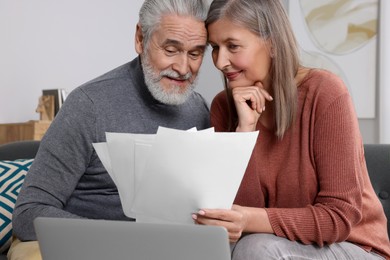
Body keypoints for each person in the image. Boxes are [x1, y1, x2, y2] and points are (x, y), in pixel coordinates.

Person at [9, 0, 210, 259]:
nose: (184, 68)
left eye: (195, 54)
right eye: (171, 50)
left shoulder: (199, 110)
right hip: (85, 247)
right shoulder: (88, 105)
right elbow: (28, 213)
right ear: (140, 39)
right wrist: (121, 240)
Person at [192, 0, 390, 259]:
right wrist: (245, 132)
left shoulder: (325, 93)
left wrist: (247, 218)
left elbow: (338, 218)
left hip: (356, 246)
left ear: (273, 43)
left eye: (233, 46)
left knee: (256, 249)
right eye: (215, 48)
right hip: (273, 246)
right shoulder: (224, 106)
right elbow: (235, 218)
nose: (220, 62)